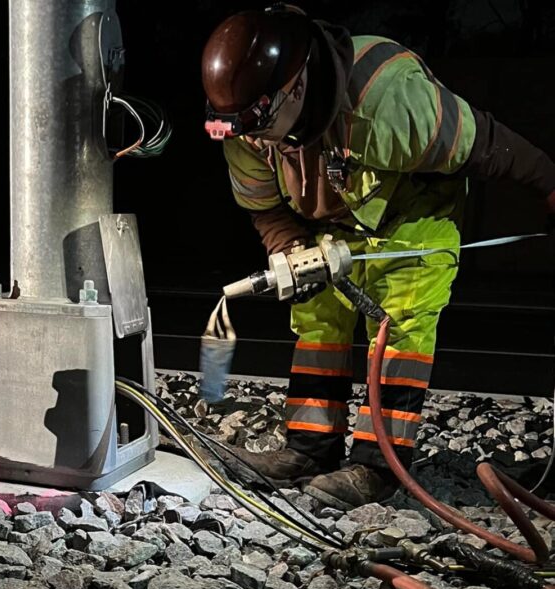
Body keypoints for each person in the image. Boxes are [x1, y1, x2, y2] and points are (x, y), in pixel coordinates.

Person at [202, 3, 555, 509]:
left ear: (295, 89)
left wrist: (549, 187)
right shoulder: (241, 123)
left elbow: (490, 145)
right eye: (236, 129)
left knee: (401, 325)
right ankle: (310, 447)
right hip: (328, 214)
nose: (250, 139)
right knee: (316, 312)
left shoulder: (391, 103)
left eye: (257, 126)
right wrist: (293, 251)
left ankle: (378, 466)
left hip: (412, 209)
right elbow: (265, 208)